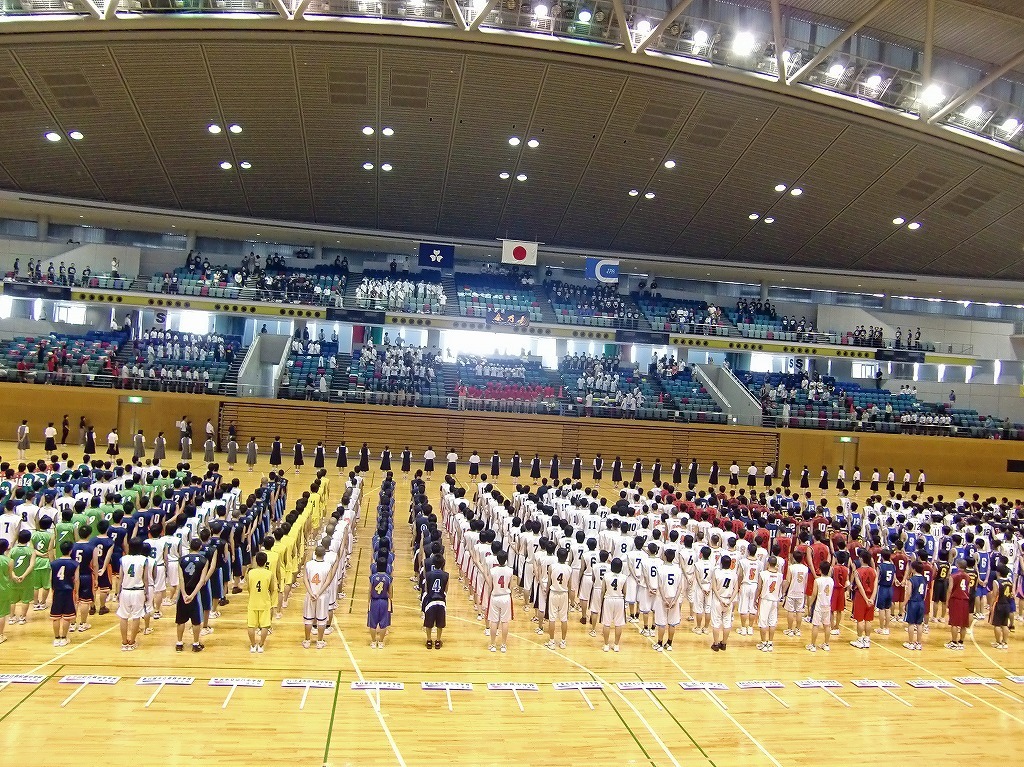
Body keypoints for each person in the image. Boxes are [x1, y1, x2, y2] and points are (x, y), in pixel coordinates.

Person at [117, 539, 151, 651]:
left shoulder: (123, 559)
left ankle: (124, 642)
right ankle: (132, 642)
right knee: (136, 616)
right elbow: (145, 579)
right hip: (138, 591)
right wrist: (146, 592)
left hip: (125, 590)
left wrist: (118, 592)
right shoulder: (144, 559)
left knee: (123, 616)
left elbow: (120, 578)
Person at [175, 538, 208, 653]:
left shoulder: (181, 560)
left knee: (180, 619)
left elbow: (181, 578)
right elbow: (202, 580)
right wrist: (193, 595)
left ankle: (179, 643)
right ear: (200, 547)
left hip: (183, 593)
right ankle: (195, 643)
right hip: (195, 593)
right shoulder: (204, 560)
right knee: (196, 620)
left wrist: (184, 593)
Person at [49, 540, 78, 647]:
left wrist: (53, 589)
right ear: (71, 551)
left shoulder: (53, 563)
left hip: (57, 590)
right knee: (67, 616)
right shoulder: (74, 564)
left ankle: (56, 638)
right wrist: (77, 592)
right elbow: (76, 580)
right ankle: (64, 637)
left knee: (56, 616)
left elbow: (51, 578)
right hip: (69, 591)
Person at [246, 551, 274, 653]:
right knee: (265, 625)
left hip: (253, 601)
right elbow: (271, 589)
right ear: (266, 561)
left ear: (256, 561)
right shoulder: (269, 573)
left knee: (251, 625)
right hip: (265, 602)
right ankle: (261, 645)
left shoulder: (250, 573)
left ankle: (253, 645)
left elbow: (248, 588)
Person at [487, 551, 514, 653]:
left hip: (495, 596)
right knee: (505, 621)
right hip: (506, 596)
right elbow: (510, 587)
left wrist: (490, 595)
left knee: (494, 621)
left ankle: (493, 644)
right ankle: (503, 645)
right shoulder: (510, 571)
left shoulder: (492, 570)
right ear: (506, 559)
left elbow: (490, 586)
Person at [851, 549, 878, 649]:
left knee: (860, 619)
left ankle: (859, 639)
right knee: (868, 620)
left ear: (861, 559)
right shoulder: (874, 571)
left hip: (861, 597)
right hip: (871, 596)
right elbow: (875, 586)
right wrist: (872, 598)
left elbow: (860, 586)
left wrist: (866, 599)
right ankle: (867, 639)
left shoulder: (857, 572)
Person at [755, 555, 783, 652]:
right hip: (775, 600)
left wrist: (755, 599)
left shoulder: (763, 574)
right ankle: (770, 643)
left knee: (763, 622)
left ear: (768, 563)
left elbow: (759, 588)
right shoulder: (780, 575)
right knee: (772, 622)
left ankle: (763, 643)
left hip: (765, 600)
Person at [710, 554, 737, 652]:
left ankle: (716, 644)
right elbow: (736, 589)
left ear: (721, 563)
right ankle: (724, 643)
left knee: (716, 622)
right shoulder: (734, 574)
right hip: (729, 600)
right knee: (727, 622)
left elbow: (714, 587)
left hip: (718, 600)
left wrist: (721, 600)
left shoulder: (717, 572)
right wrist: (729, 601)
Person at [546, 548, 571, 649]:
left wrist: (547, 592)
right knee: (564, 619)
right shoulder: (569, 568)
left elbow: (549, 582)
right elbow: (569, 584)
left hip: (554, 592)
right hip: (564, 593)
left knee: (552, 618)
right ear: (566, 557)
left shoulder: (552, 567)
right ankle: (563, 641)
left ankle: (552, 642)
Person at [601, 557, 627, 652]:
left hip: (608, 599)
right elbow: (625, 591)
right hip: (619, 600)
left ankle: (606, 645)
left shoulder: (606, 576)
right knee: (618, 624)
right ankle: (616, 645)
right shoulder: (624, 577)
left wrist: (601, 601)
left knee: (606, 623)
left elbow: (603, 590)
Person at [423, 556, 449, 650]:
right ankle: (438, 641)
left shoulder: (428, 574)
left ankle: (429, 640)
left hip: (430, 601)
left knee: (428, 623)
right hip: (441, 601)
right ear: (443, 564)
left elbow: (426, 588)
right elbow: (446, 589)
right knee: (440, 623)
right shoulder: (446, 575)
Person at [367, 555, 392, 649]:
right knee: (383, 623)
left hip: (374, 601)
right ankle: (381, 642)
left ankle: (373, 642)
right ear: (386, 566)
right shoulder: (389, 578)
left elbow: (369, 591)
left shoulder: (372, 577)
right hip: (384, 602)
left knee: (372, 623)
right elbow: (391, 593)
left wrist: (368, 602)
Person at [807, 560, 833, 652]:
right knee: (827, 625)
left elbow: (814, 594)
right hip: (827, 605)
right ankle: (826, 644)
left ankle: (813, 645)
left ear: (820, 570)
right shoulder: (831, 580)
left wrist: (810, 605)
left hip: (819, 605)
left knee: (815, 625)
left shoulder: (817, 580)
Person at [946, 558, 970, 650]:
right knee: (964, 623)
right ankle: (961, 642)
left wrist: (948, 601)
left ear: (958, 565)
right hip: (965, 600)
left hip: (956, 600)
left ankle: (954, 642)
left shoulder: (953, 576)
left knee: (954, 623)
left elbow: (950, 590)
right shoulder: (968, 576)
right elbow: (968, 590)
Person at [903, 561, 927, 651]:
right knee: (919, 624)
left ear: (913, 569)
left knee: (911, 623)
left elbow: (908, 594)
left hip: (913, 602)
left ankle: (911, 643)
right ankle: (919, 643)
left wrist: (904, 604)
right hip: (921, 602)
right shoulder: (924, 579)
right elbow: (925, 594)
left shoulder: (911, 580)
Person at [990, 565, 1013, 650]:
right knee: (1004, 624)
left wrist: (991, 605)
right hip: (1007, 604)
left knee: (997, 624)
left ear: (998, 572)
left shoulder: (996, 582)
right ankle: (1005, 642)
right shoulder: (1010, 581)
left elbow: (994, 594)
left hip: (999, 604)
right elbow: (1011, 594)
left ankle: (998, 642)